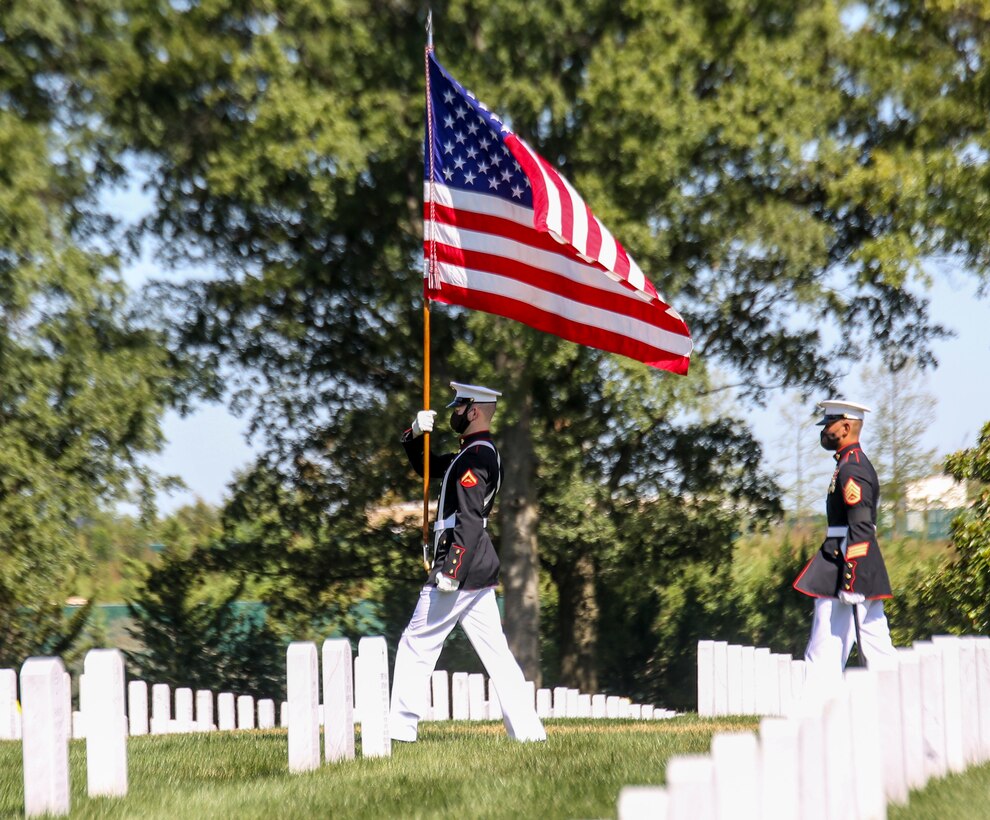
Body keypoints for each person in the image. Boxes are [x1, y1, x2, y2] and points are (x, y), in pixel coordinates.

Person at [389, 381, 546, 743]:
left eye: (457, 408)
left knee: (417, 641)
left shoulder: (477, 457)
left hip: (460, 565)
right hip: (475, 568)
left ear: (473, 410)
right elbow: (427, 468)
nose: (452, 413)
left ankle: (399, 729)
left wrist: (451, 570)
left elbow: (470, 519)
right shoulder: (473, 452)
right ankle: (529, 733)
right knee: (498, 655)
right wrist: (414, 434)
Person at [793, 399, 898, 679]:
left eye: (829, 424)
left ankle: (819, 703)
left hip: (846, 561)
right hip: (848, 558)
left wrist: (851, 579)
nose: (824, 430)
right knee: (872, 640)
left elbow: (861, 525)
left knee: (830, 644)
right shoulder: (848, 464)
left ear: (846, 426)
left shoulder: (852, 468)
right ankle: (898, 697)